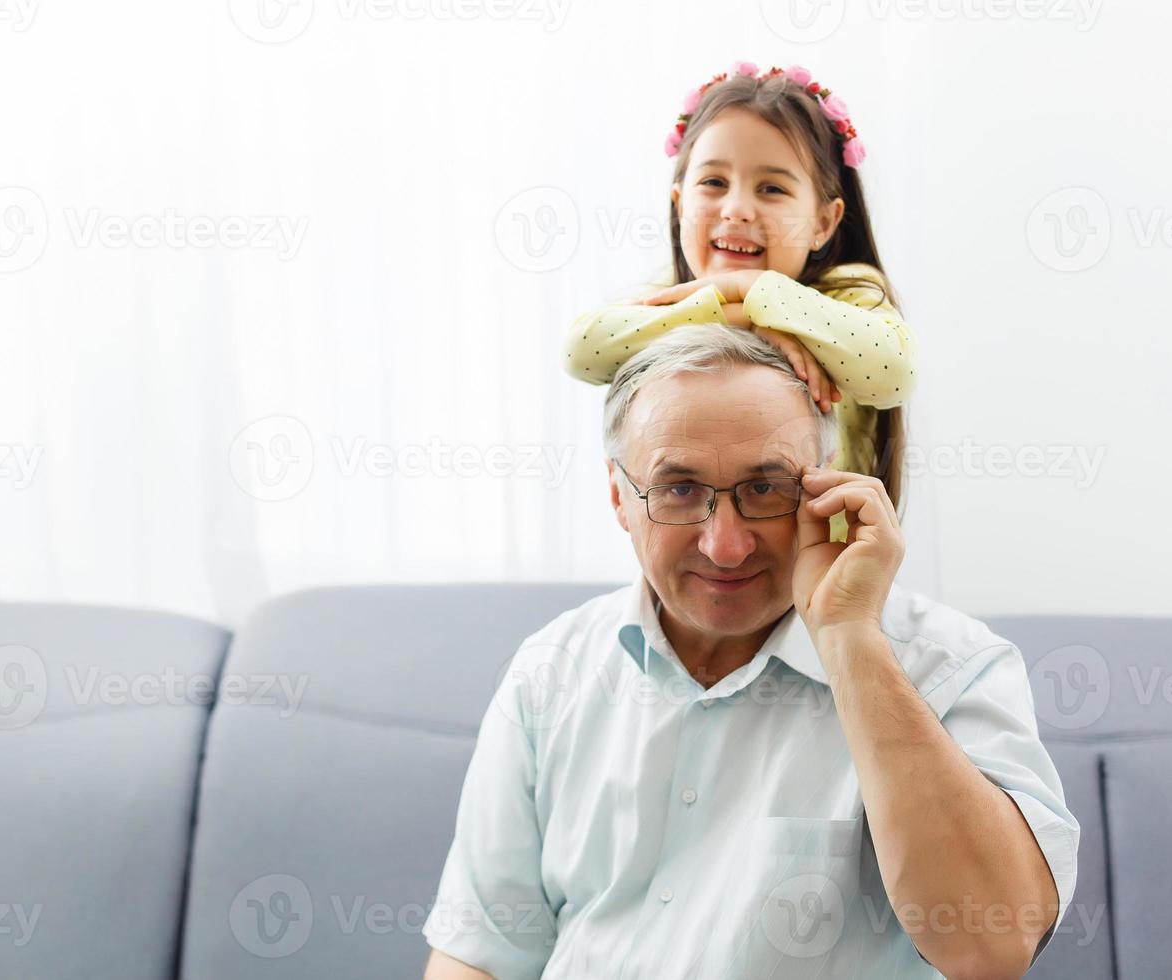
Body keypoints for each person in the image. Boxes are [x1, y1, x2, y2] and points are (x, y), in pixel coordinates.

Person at [423, 325, 1078, 979]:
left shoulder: (951, 666)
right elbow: (479, 957)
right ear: (620, 497)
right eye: (679, 489)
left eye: (765, 489)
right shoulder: (551, 670)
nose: (725, 545)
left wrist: (849, 637)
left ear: (824, 489)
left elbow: (989, 948)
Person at [563, 60, 918, 544]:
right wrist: (739, 315)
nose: (736, 209)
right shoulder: (673, 295)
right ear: (680, 204)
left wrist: (753, 291)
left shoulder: (845, 294)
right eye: (713, 183)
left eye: (771, 188)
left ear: (823, 222)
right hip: (706, 548)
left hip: (820, 565)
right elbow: (581, 351)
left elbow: (891, 374)